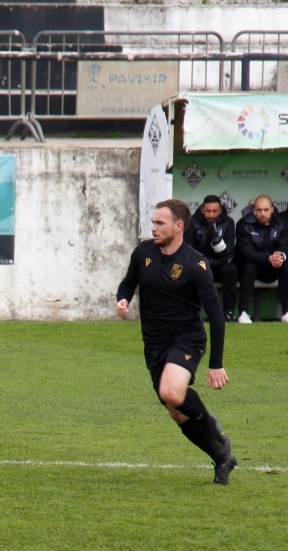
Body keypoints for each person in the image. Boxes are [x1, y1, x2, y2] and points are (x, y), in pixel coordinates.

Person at [116, 199, 236, 485]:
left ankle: (213, 429)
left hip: (187, 338)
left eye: (160, 223)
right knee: (176, 411)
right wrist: (122, 299)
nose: (153, 228)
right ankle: (221, 458)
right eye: (153, 222)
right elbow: (128, 282)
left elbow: (217, 318)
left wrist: (216, 364)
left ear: (178, 226)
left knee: (171, 393)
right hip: (154, 344)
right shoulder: (143, 252)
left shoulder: (195, 264)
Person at [233, 195, 288, 324]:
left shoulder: (282, 223)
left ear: (272, 209)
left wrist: (280, 256)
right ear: (254, 209)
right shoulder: (243, 224)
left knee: (286, 266)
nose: (262, 213)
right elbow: (247, 252)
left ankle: (286, 312)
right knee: (250, 266)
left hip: (274, 266)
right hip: (252, 266)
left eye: (266, 210)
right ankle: (243, 312)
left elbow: (285, 245)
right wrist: (268, 258)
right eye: (259, 210)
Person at [185, 195, 237, 322]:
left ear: (220, 210)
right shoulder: (192, 222)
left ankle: (228, 312)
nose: (211, 215)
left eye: (214, 211)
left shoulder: (228, 222)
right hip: (199, 265)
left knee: (231, 269)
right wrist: (205, 263)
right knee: (187, 269)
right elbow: (189, 249)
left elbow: (229, 251)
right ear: (202, 209)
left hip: (219, 265)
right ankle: (190, 313)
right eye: (208, 211)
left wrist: (213, 261)